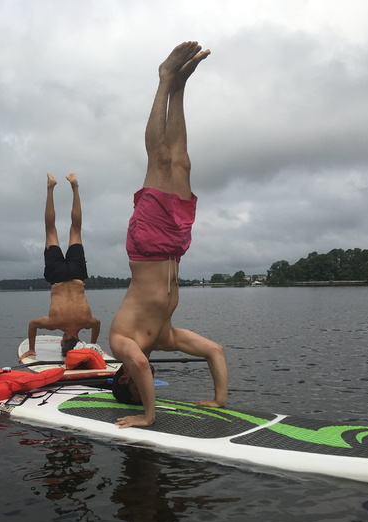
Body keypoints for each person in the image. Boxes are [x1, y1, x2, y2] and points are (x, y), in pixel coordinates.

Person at [109, 41, 229, 428]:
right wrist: (219, 400)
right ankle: (180, 86)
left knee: (159, 159)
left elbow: (140, 365)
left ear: (123, 378)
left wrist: (147, 416)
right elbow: (215, 351)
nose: (140, 378)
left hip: (147, 245)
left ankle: (164, 78)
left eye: (135, 386)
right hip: (176, 248)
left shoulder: (120, 342)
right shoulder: (164, 337)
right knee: (181, 160)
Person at [19, 173, 101, 361]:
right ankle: (50, 187)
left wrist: (93, 343)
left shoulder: (88, 322)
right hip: (57, 276)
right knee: (50, 229)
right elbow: (32, 324)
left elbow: (98, 324)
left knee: (76, 228)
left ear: (78, 341)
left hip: (77, 275)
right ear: (63, 342)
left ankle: (74, 186)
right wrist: (31, 348)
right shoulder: (54, 323)